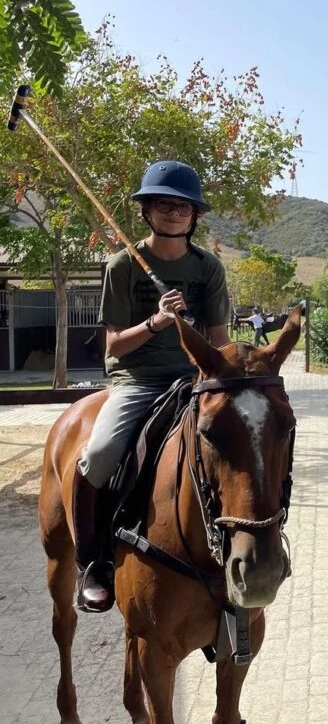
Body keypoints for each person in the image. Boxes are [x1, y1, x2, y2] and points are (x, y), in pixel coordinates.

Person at [73, 160, 231, 612]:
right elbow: (115, 346)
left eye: (184, 206)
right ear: (147, 210)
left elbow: (218, 341)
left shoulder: (208, 268)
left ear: (195, 214)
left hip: (192, 378)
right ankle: (92, 562)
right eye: (164, 203)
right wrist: (157, 320)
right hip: (138, 380)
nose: (175, 212)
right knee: (101, 453)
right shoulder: (123, 265)